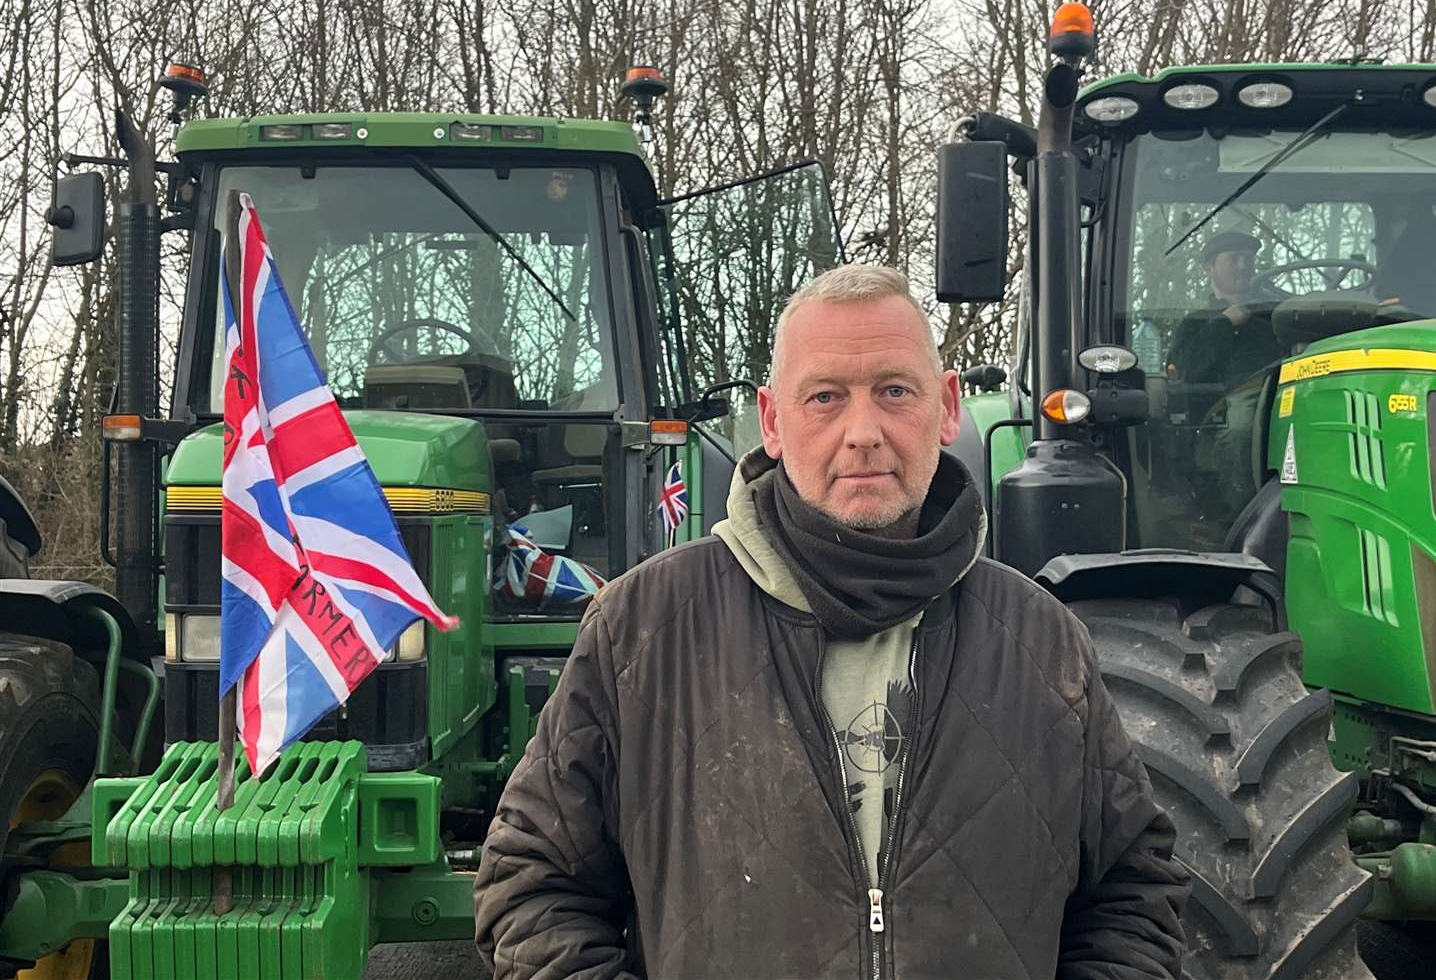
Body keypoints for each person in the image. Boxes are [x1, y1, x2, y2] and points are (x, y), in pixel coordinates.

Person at [473, 266, 1189, 978]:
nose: (863, 432)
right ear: (775, 421)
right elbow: (532, 885)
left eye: (893, 391)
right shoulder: (642, 629)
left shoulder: (1043, 640)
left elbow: (1131, 893)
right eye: (825, 397)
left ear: (945, 410)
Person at [1167, 231, 1288, 389]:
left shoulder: (1275, 316)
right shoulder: (1195, 323)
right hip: (1220, 408)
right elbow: (1181, 372)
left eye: (1248, 259)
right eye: (1233, 259)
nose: (1243, 266)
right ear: (1209, 268)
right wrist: (1223, 324)